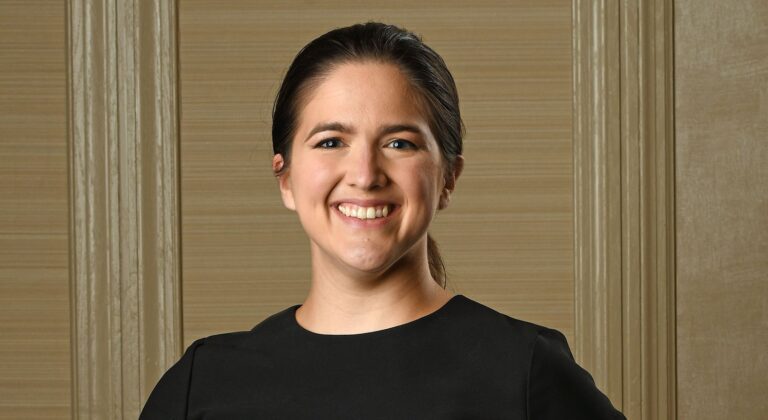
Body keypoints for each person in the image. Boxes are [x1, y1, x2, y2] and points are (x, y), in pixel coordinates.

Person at [139, 22, 627, 419]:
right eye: (331, 141)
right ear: (285, 177)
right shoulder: (204, 383)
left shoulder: (522, 369)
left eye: (399, 143)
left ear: (448, 178)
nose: (365, 174)